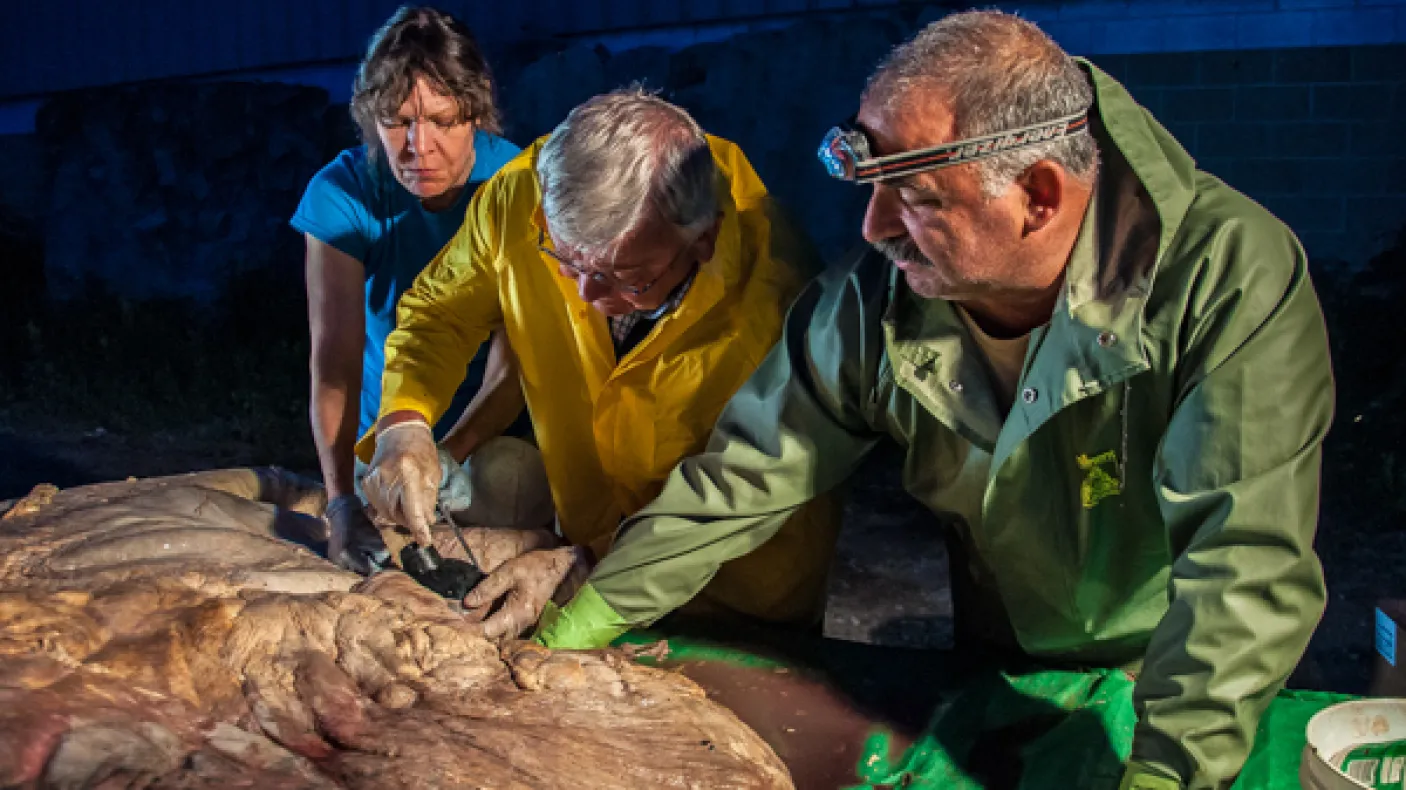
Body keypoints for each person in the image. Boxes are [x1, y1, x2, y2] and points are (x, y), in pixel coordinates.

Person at [537, 12, 1334, 790]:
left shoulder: (1227, 282)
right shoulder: (875, 301)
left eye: (914, 196)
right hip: (1005, 643)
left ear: (1038, 196)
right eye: (873, 185)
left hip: (1176, 661)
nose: (875, 225)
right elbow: (748, 471)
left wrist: (1172, 767)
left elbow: (1242, 561)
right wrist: (593, 610)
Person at [357, 88, 843, 641]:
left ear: (700, 241)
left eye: (625, 277)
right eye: (563, 259)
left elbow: (743, 492)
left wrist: (592, 561)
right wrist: (404, 421)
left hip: (735, 586)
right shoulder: (521, 195)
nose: (586, 295)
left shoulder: (778, 300)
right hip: (582, 537)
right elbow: (440, 313)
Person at [291, 6, 528, 572]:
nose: (417, 147)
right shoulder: (340, 193)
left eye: (442, 121)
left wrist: (449, 455)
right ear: (370, 118)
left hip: (489, 425)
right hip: (384, 434)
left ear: (476, 111)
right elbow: (335, 366)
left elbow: (516, 358)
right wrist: (343, 499)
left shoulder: (515, 185)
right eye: (396, 122)